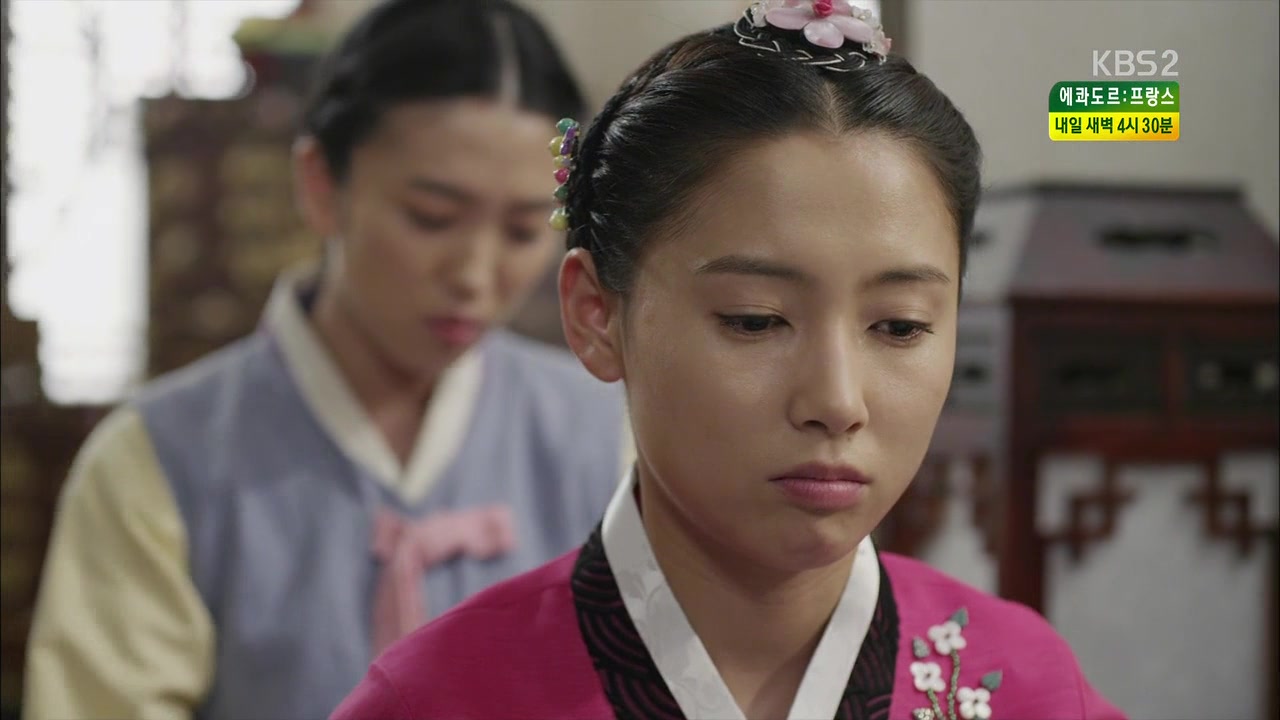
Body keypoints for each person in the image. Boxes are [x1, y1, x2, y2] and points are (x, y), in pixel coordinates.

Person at [331, 2, 1128, 719]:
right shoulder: (437, 700)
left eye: (899, 326)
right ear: (597, 315)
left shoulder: (1026, 686)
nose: (837, 401)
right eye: (756, 320)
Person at [23, 1, 634, 719]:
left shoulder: (609, 436)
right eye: (431, 218)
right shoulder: (161, 460)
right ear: (321, 184)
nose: (475, 274)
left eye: (524, 230)